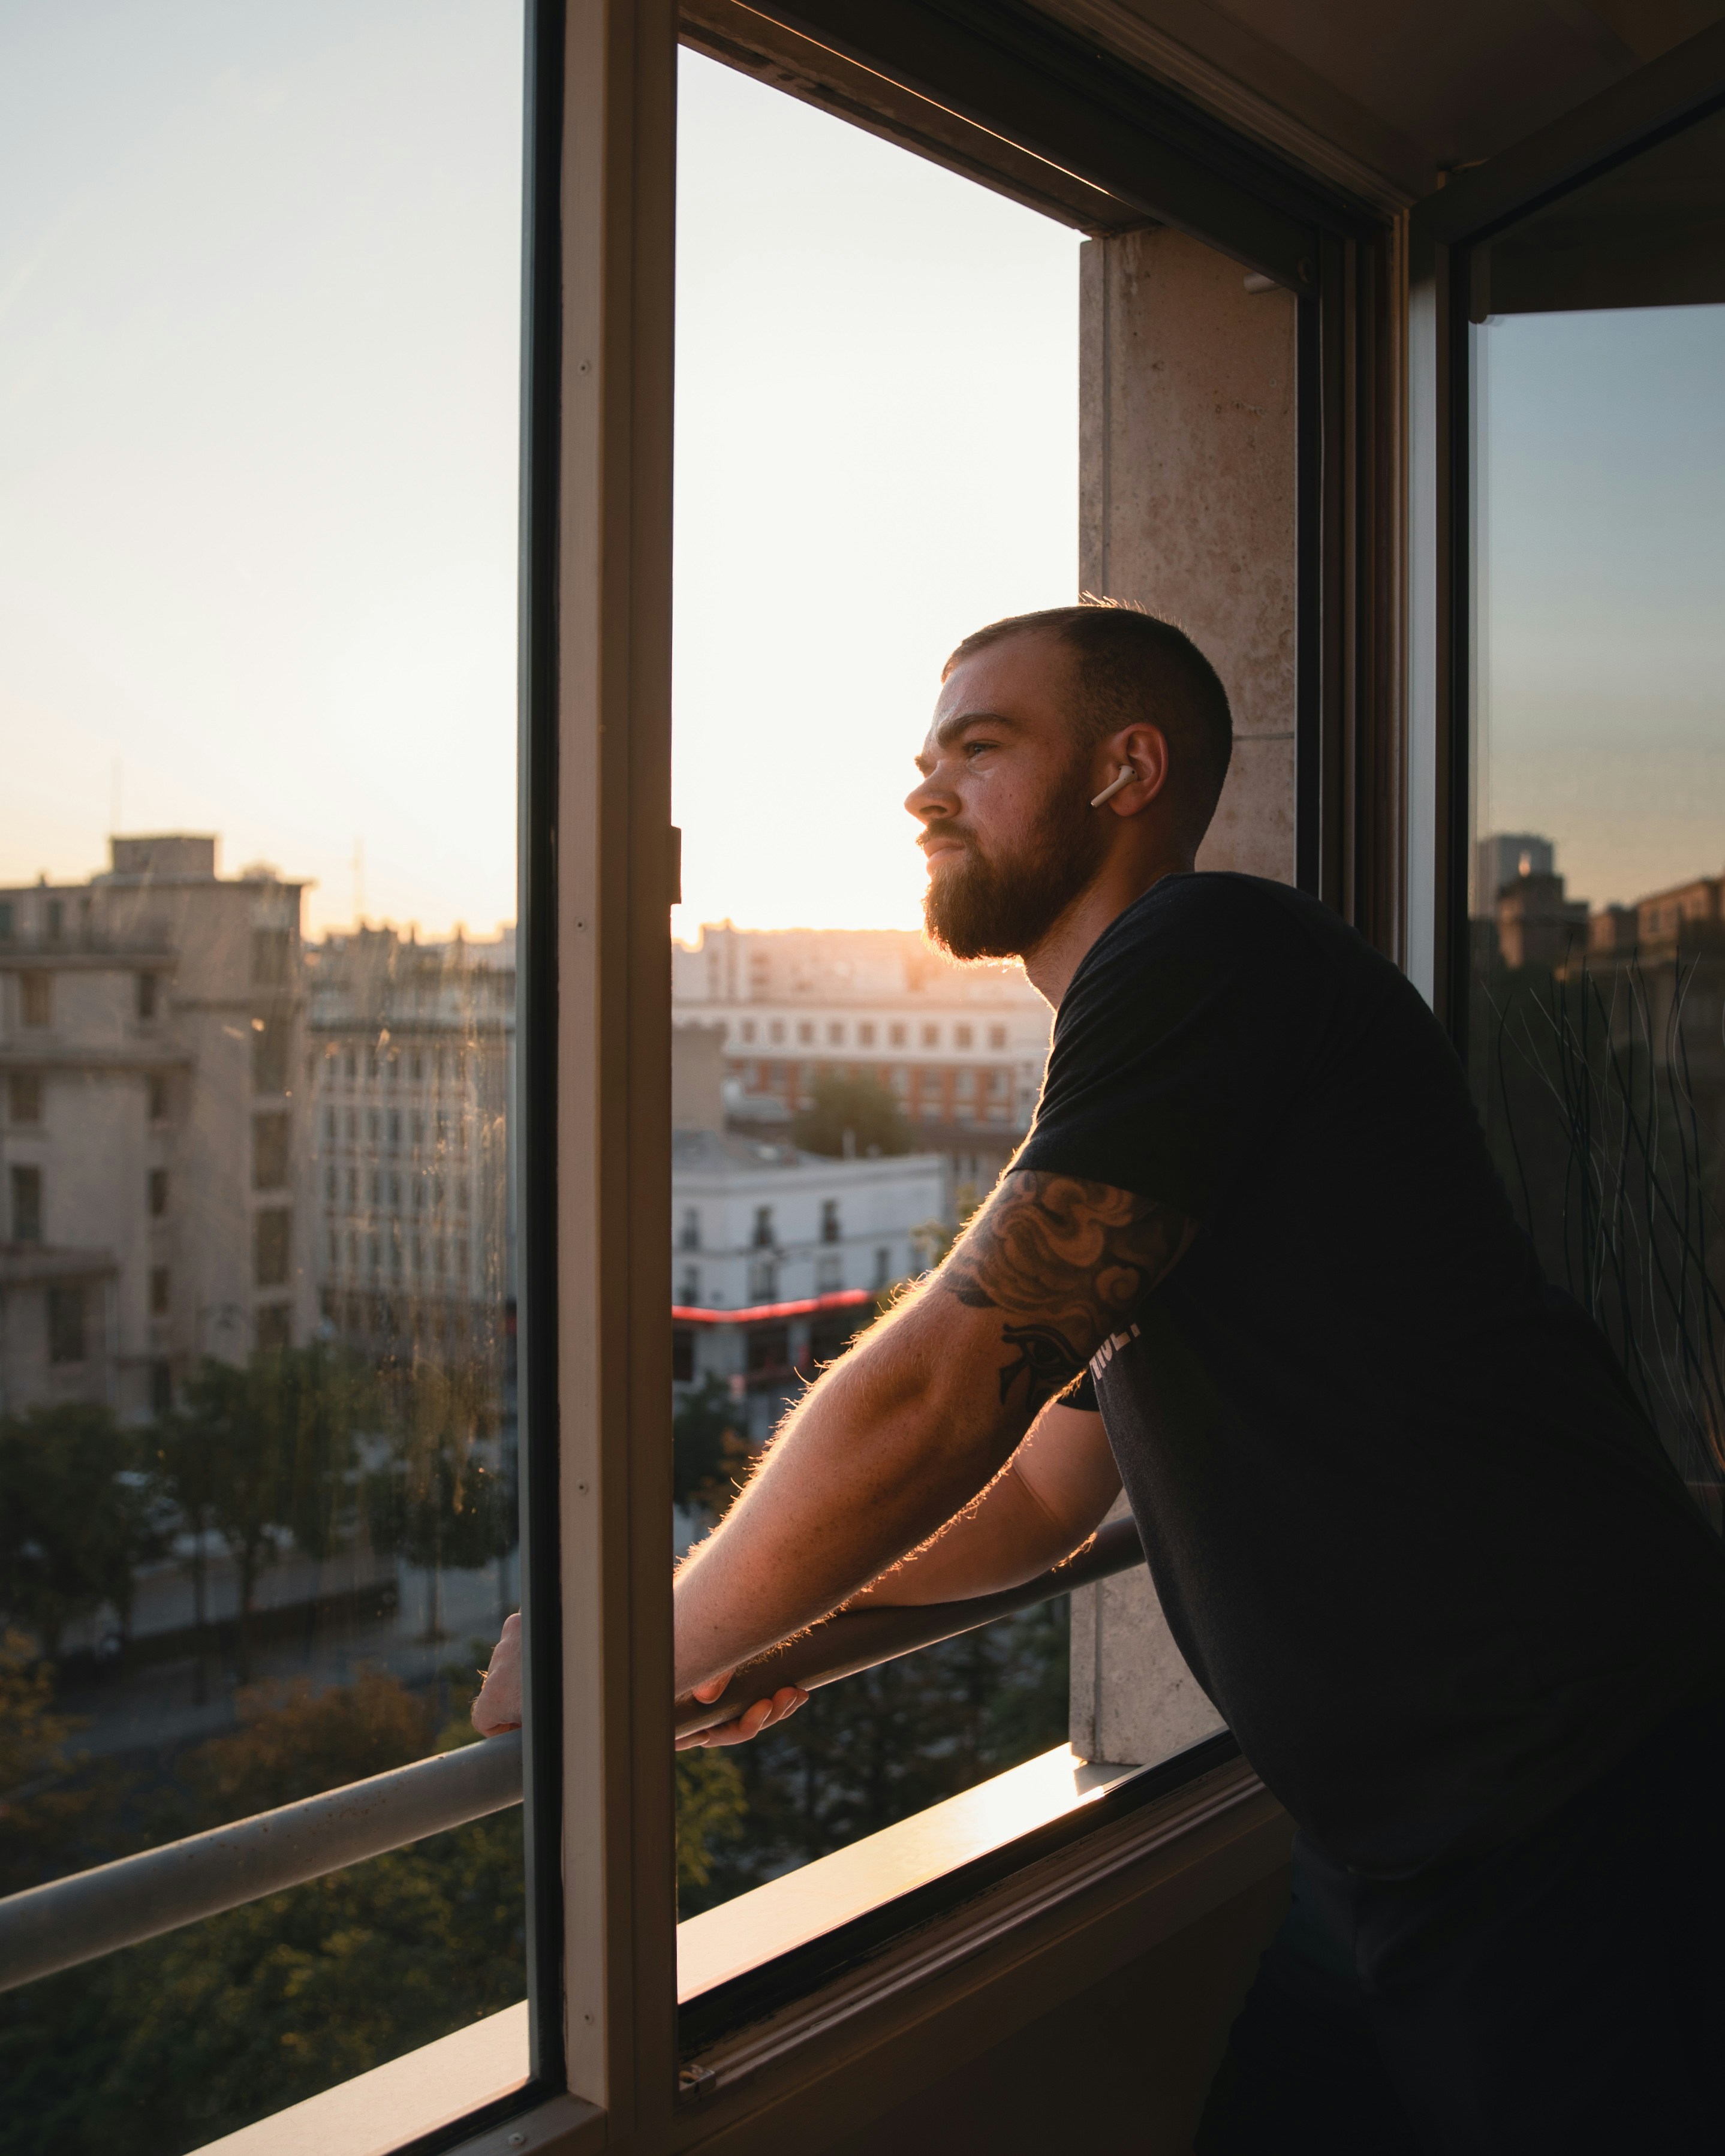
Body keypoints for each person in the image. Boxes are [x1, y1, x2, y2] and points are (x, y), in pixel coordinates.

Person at [473, 600, 1725, 2151]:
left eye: (977, 749)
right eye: (924, 759)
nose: (924, 791)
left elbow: (948, 1389)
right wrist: (778, 1620)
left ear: (1129, 768)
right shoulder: (1164, 1052)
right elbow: (1042, 1495)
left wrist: (636, 1648)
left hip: (1578, 1814)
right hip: (1398, 1845)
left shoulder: (1203, 955)